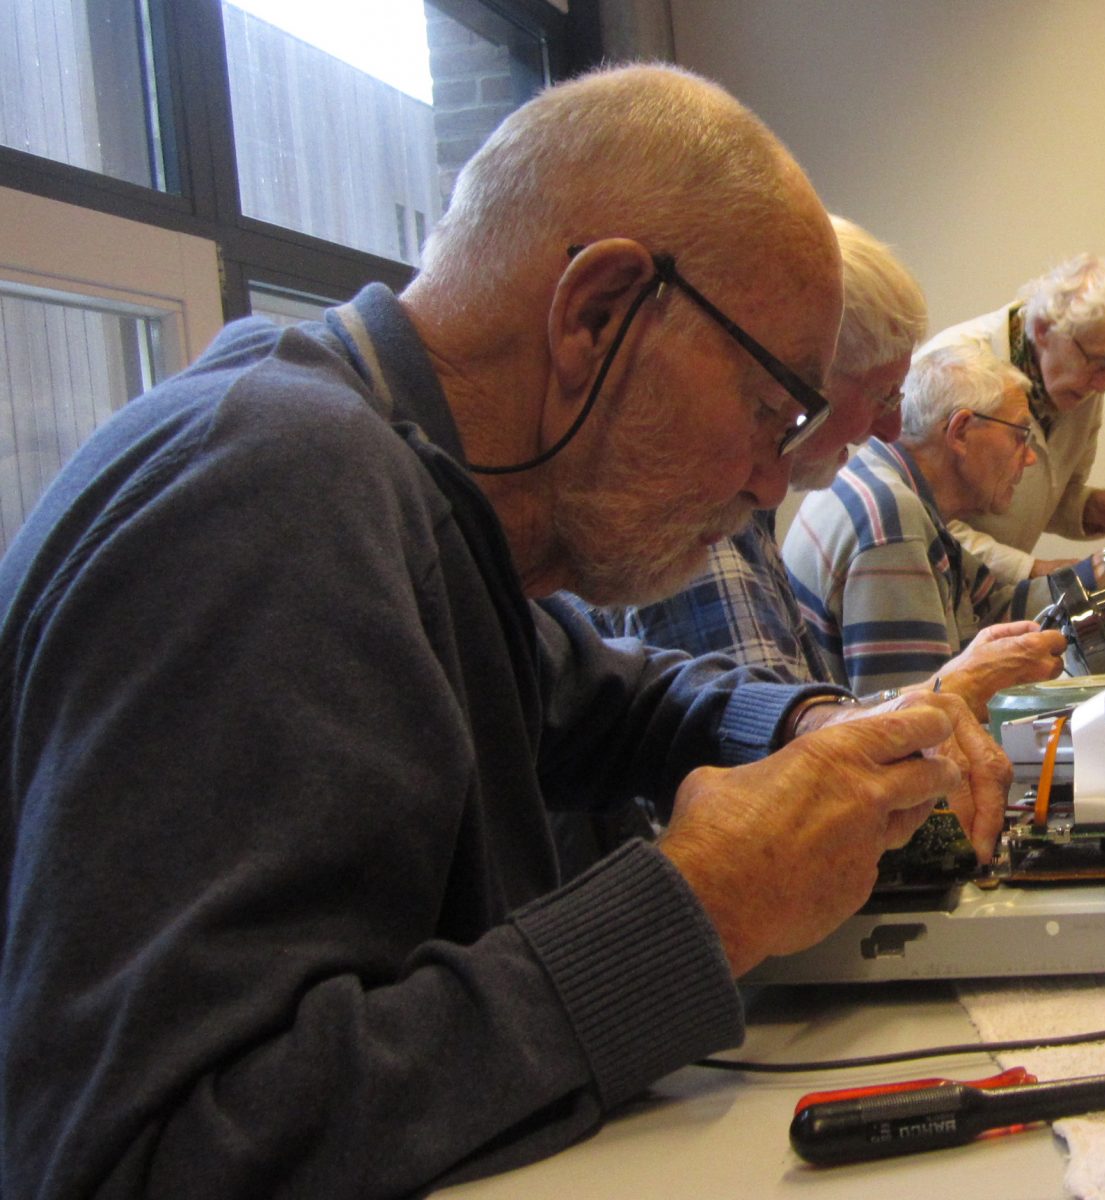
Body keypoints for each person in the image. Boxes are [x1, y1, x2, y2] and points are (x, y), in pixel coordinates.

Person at [0, 64, 1010, 1199]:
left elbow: (606, 695)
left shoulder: (411, 496)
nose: (773, 481)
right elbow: (156, 1156)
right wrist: (704, 904)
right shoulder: (279, 487)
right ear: (597, 312)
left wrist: (818, 722)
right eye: (769, 410)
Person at [594, 216, 1067, 716]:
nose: (891, 426)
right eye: (882, 394)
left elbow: (797, 722)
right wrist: (949, 691)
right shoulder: (708, 511)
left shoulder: (776, 506)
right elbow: (776, 770)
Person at [786, 343, 1105, 695]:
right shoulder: (892, 523)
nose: (1029, 459)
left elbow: (993, 607)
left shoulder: (889, 482)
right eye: (1019, 435)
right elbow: (913, 723)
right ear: (960, 432)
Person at [920, 253, 1105, 588]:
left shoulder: (1081, 386)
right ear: (1044, 330)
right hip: (938, 590)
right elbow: (924, 519)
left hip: (992, 600)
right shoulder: (950, 366)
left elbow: (1041, 496)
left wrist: (1092, 507)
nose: (1103, 384)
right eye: (1097, 362)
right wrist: (1034, 570)